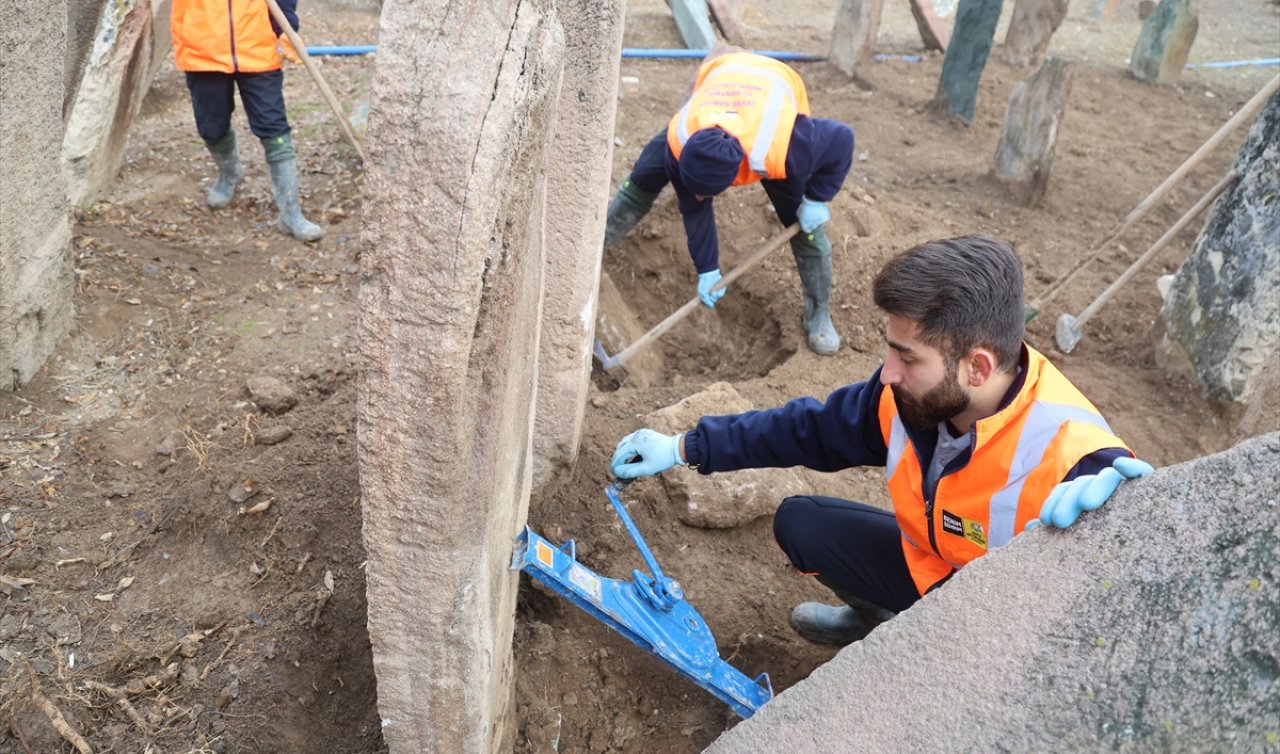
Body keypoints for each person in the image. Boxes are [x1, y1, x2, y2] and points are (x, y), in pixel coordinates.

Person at [609, 235, 1154, 645]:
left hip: (995, 634)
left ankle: (922, 659)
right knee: (803, 524)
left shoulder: (1071, 454)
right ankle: (878, 623)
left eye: (907, 356)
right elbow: (809, 430)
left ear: (978, 367)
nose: (888, 371)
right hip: (931, 572)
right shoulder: (909, 396)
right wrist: (685, 446)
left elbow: (1130, 578)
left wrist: (1137, 520)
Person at [603, 50, 855, 355]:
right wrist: (707, 267)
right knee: (645, 173)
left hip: (772, 84)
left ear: (736, 177)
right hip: (720, 76)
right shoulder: (681, 141)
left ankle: (819, 314)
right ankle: (596, 247)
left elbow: (843, 139)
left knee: (803, 225)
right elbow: (694, 209)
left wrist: (817, 197)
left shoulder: (784, 145)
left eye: (705, 193)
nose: (697, 198)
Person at [171, 0, 324, 242]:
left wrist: (286, 29)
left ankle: (290, 213)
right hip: (203, 47)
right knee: (212, 128)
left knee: (274, 128)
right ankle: (229, 173)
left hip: (257, 45)